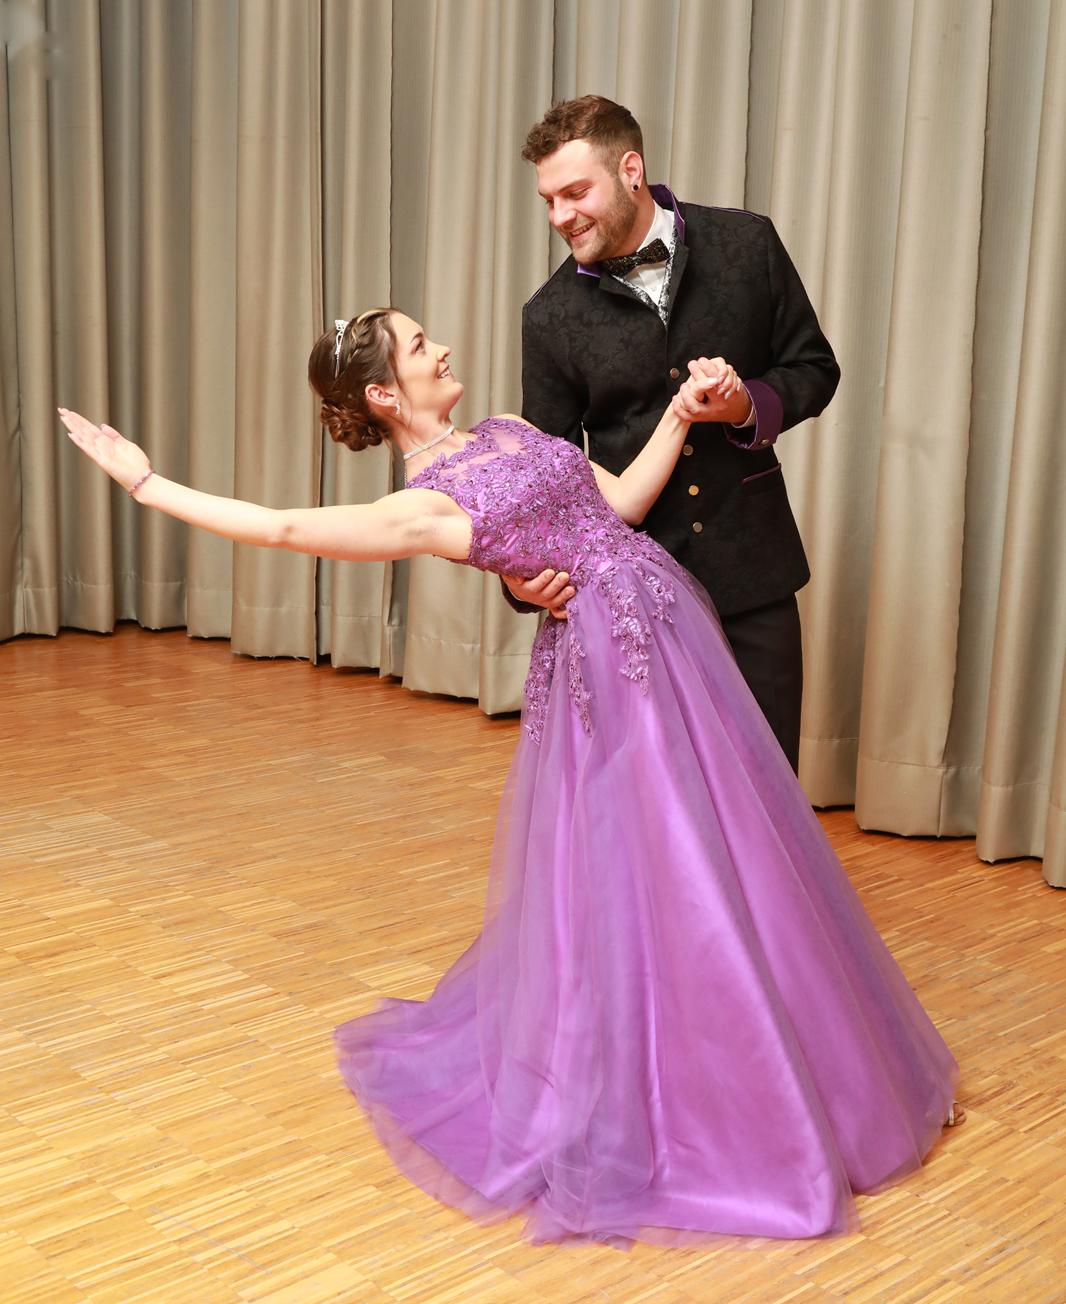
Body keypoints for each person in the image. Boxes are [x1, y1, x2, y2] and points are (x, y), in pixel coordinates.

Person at [59, 306, 959, 1247]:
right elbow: (283, 526)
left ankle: (809, 1058)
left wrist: (680, 415)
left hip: (668, 631)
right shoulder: (422, 508)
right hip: (607, 665)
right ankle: (703, 1094)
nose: (441, 347)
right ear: (384, 393)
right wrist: (150, 485)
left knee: (739, 842)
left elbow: (620, 506)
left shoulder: (510, 428)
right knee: (663, 864)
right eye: (419, 346)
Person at [506, 96, 840, 773]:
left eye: (575, 193)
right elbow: (548, 472)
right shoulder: (548, 317)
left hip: (754, 573)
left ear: (630, 170)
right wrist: (524, 583)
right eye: (549, 200)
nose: (560, 216)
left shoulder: (747, 243)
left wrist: (746, 405)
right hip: (635, 596)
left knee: (769, 782)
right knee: (667, 798)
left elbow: (814, 368)